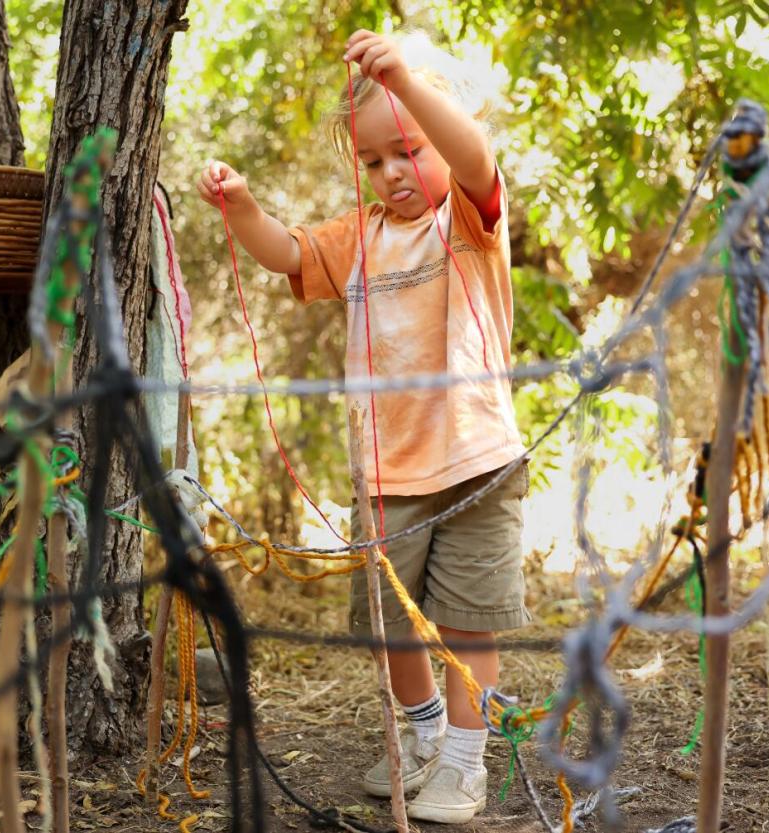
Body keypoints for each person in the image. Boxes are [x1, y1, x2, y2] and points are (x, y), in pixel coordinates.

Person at [196, 29, 528, 824]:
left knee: (465, 623)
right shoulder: (360, 237)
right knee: (388, 627)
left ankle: (463, 761)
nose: (392, 173)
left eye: (408, 150)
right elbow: (284, 252)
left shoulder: (472, 223)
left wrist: (408, 84)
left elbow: (472, 156)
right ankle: (420, 735)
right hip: (387, 473)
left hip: (478, 459)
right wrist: (241, 207)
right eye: (373, 160)